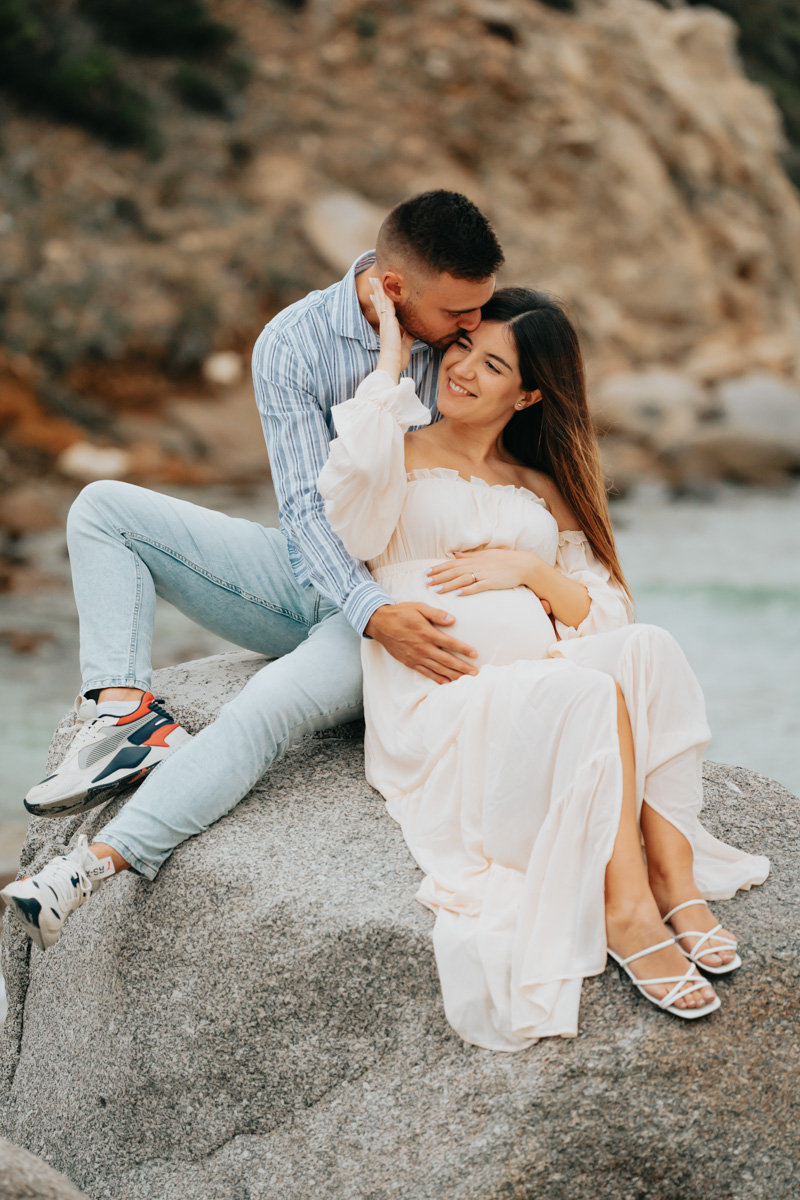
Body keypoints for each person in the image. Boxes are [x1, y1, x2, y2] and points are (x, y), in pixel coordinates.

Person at [1, 191, 503, 949]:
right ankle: (123, 713)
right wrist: (368, 607)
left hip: (397, 596)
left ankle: (94, 864)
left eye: (480, 312)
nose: (471, 329)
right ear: (394, 289)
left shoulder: (475, 350)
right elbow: (304, 512)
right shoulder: (294, 342)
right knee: (102, 508)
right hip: (316, 575)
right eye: (458, 313)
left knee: (264, 708)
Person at [316, 279, 770, 1047]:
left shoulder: (537, 485)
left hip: (540, 679)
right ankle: (627, 915)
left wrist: (527, 572)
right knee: (587, 693)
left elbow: (609, 608)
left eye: (492, 365)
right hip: (445, 703)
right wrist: (393, 360)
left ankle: (673, 878)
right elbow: (346, 519)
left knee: (649, 648)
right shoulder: (389, 450)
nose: (461, 368)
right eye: (461, 346)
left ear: (528, 397)